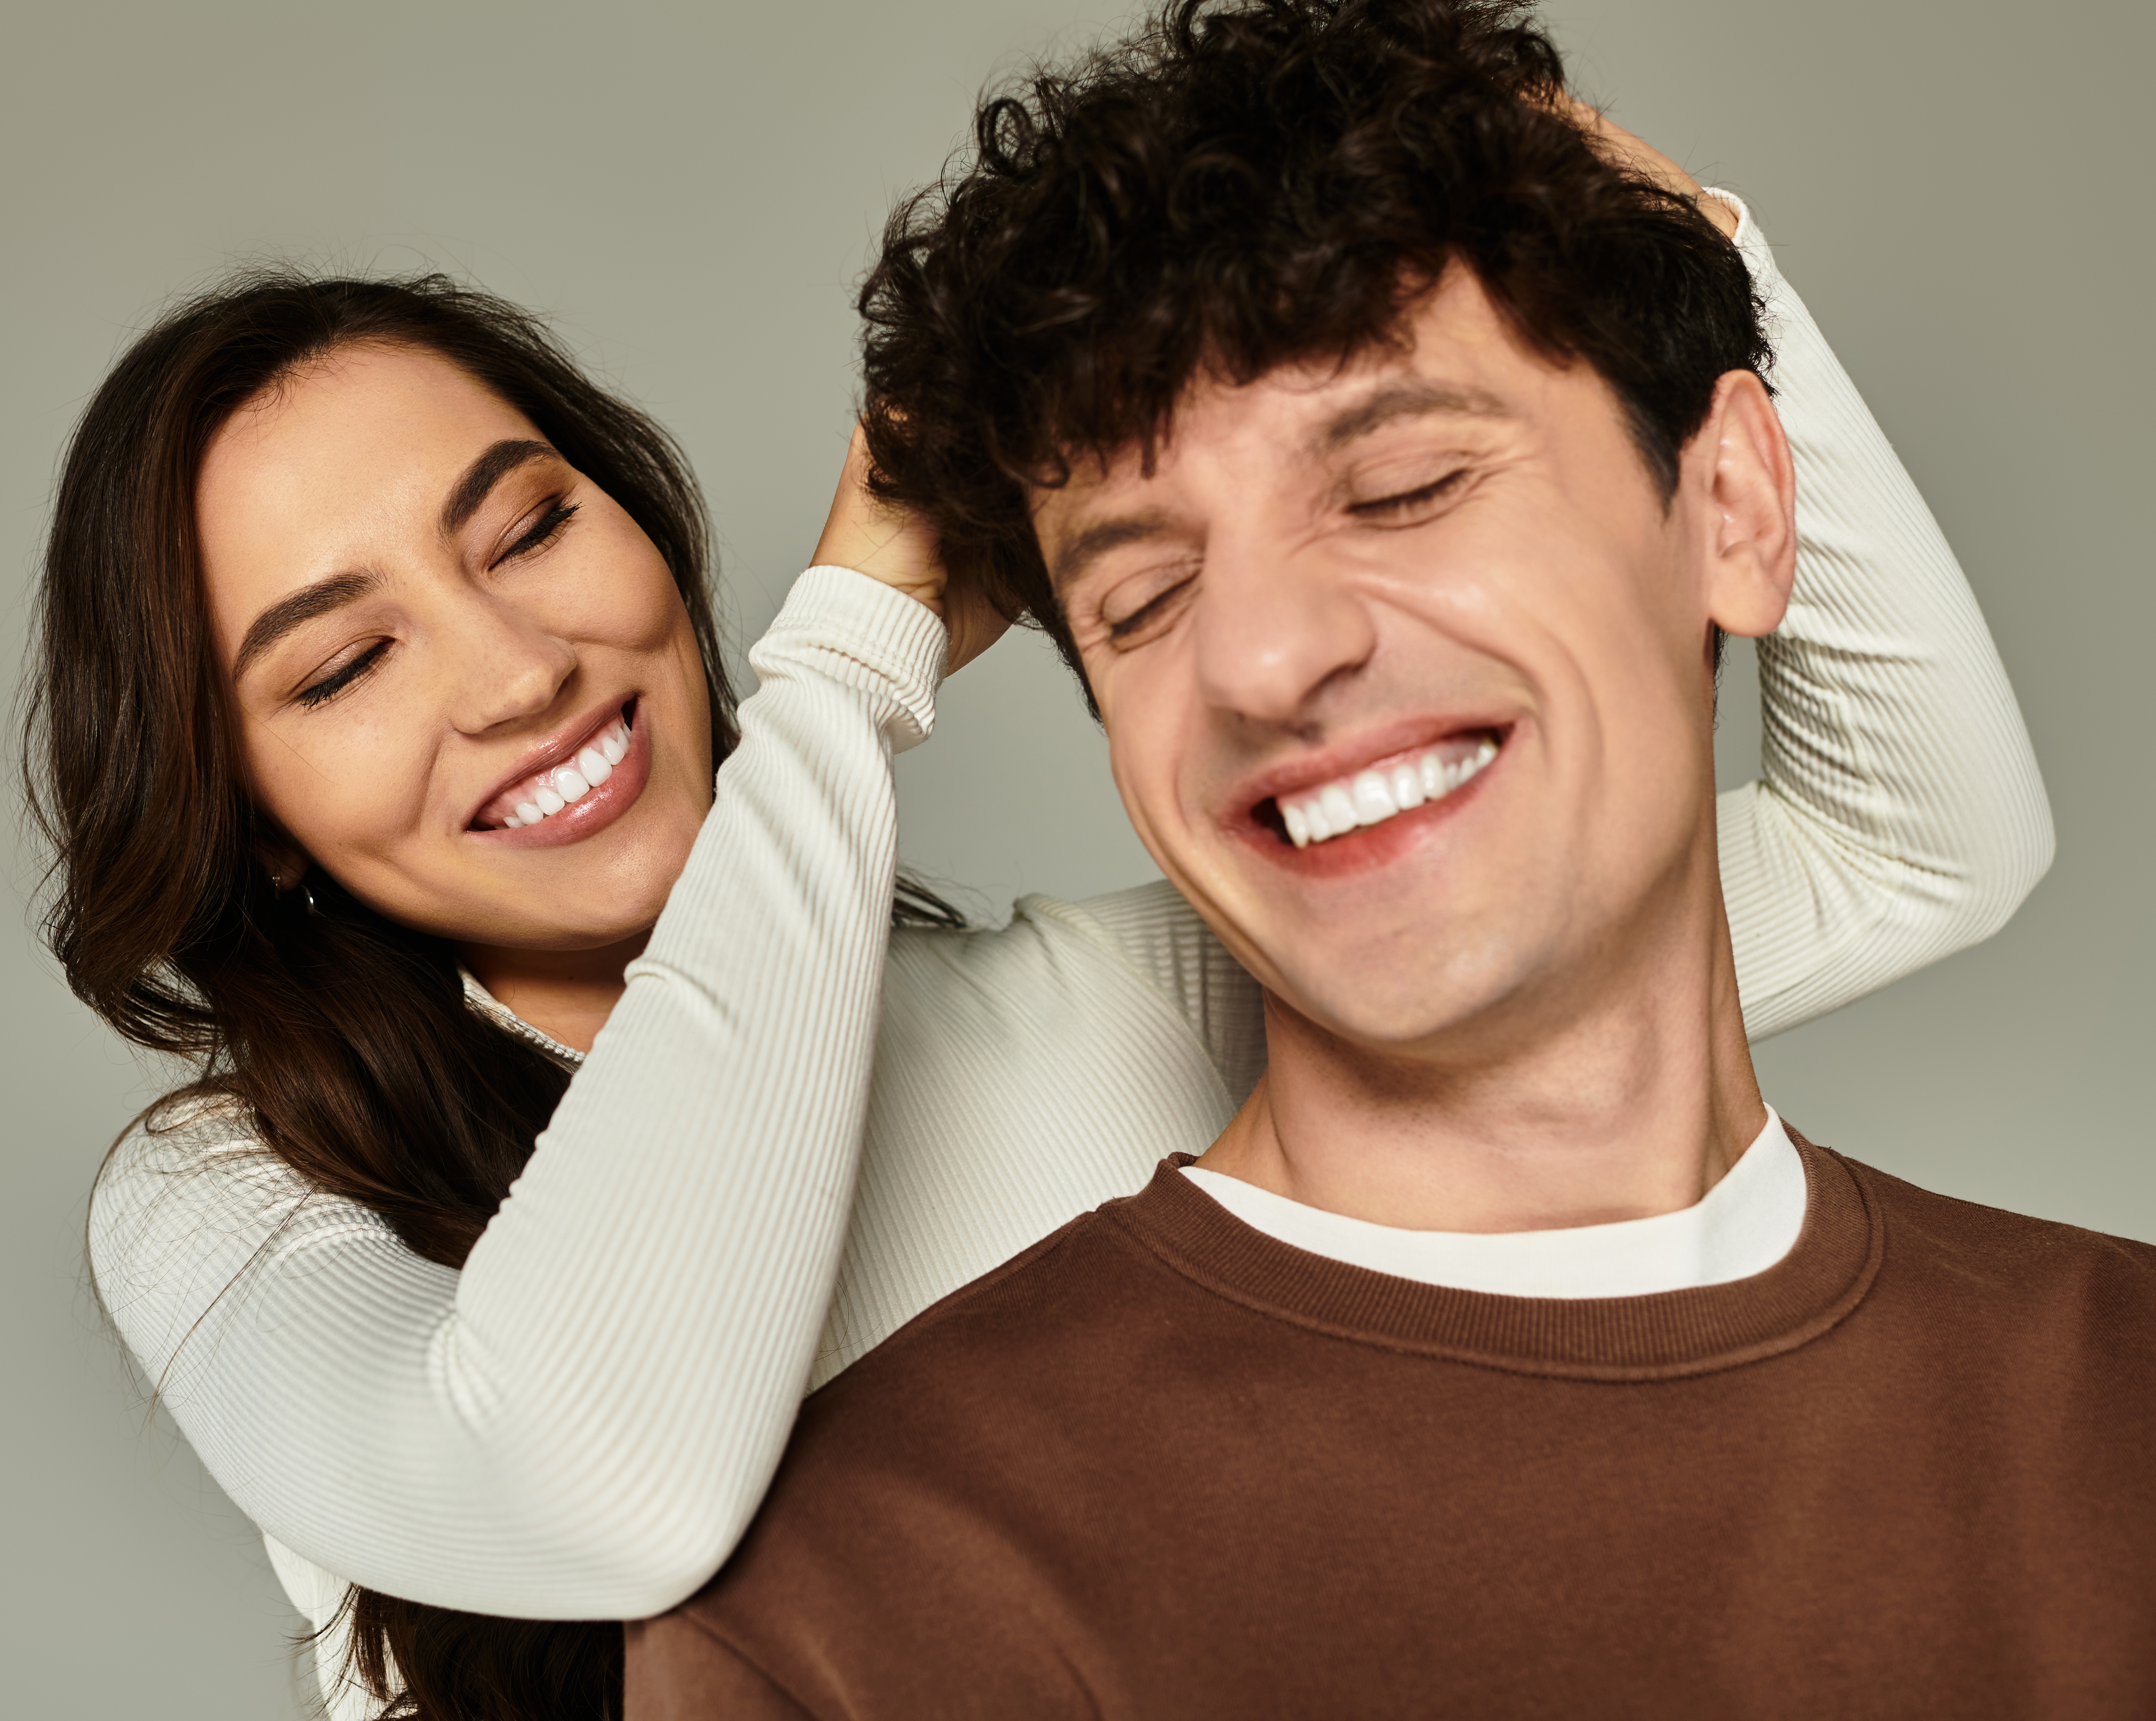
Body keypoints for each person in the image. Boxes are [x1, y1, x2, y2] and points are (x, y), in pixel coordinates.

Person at [35, 29, 2052, 1721]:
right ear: (251, 817)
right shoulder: (232, 1203)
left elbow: (1917, 843)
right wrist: (850, 649)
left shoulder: (1104, 1006)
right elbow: (610, 1483)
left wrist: (1688, 273)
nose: (516, 667)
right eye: (346, 662)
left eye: (530, 526)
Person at [622, 3, 2153, 1715]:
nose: (1267, 660)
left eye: (1406, 486)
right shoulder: (867, 1611)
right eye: (1143, 597)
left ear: (1734, 509)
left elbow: (1938, 837)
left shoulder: (2120, 1397)